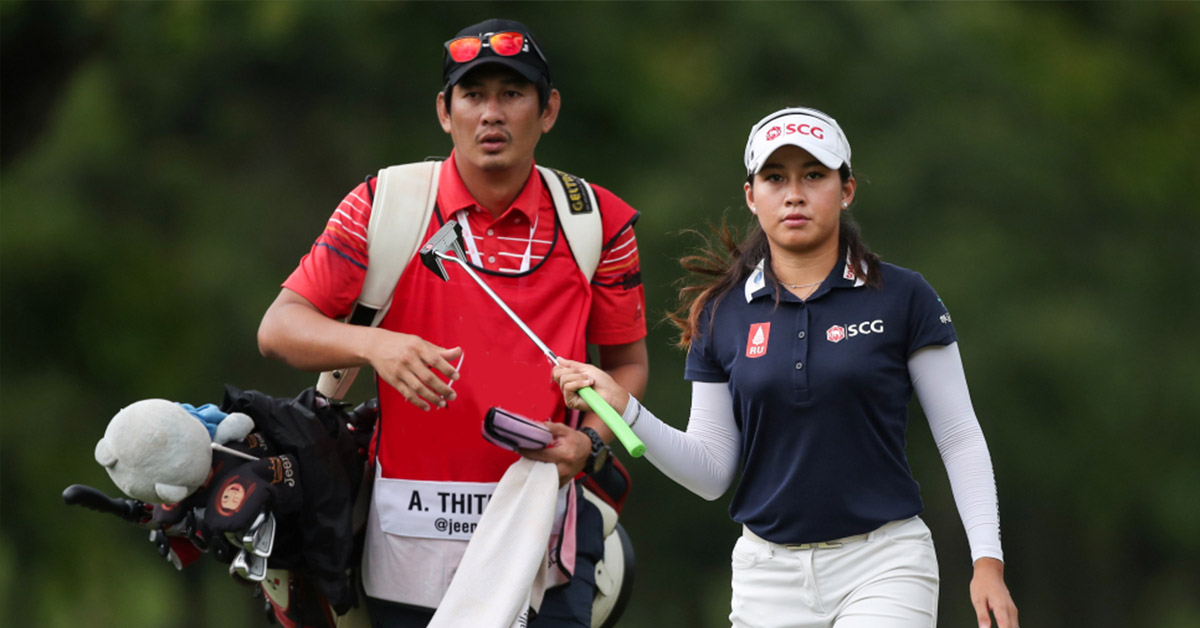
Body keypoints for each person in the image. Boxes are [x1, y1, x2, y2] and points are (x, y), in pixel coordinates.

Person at [552, 106, 1019, 628]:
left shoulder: (904, 296)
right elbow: (710, 472)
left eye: (813, 175)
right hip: (766, 576)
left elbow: (958, 435)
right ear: (752, 196)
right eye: (775, 178)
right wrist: (625, 408)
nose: (794, 194)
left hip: (885, 563)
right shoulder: (722, 312)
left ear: (846, 189)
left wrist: (987, 563)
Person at [257, 18, 649, 627]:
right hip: (410, 547)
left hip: (543, 537)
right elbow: (279, 328)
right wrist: (376, 346)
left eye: (512, 94)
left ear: (548, 110)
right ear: (445, 111)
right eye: (473, 95)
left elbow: (626, 365)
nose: (491, 113)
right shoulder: (384, 203)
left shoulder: (598, 221)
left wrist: (592, 442)